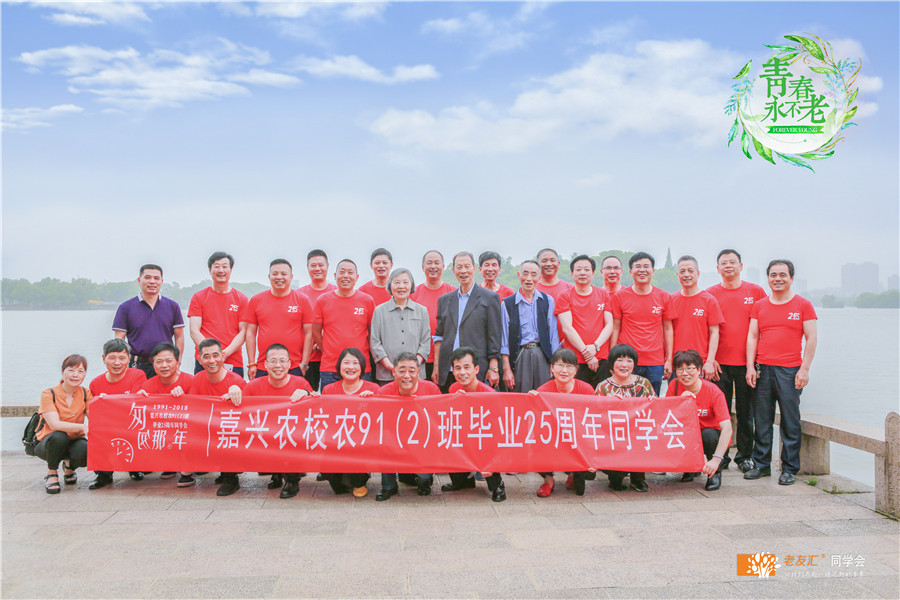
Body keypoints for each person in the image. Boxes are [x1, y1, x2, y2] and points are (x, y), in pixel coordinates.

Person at [745, 259, 818, 486]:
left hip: (790, 370)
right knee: (762, 419)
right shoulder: (759, 305)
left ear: (791, 278)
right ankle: (761, 465)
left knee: (790, 420)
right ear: (768, 278)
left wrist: (805, 369)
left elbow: (812, 338)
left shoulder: (803, 305)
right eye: (773, 275)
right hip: (763, 369)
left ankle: (789, 469)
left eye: (783, 275)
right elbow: (753, 337)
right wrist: (750, 367)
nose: (778, 279)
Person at [706, 249, 767, 473]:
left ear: (741, 266)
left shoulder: (755, 291)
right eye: (724, 263)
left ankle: (744, 456)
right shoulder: (710, 294)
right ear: (718, 268)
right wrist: (709, 359)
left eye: (733, 262)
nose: (728, 266)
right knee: (719, 413)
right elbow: (706, 330)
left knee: (745, 412)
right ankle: (720, 456)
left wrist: (757, 361)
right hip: (719, 364)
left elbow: (764, 326)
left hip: (746, 364)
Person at [243, 344, 315, 499]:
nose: (278, 365)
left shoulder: (300, 383)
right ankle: (275, 471)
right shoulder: (253, 386)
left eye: (282, 361)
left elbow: (316, 406)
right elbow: (240, 411)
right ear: (265, 364)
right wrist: (233, 392)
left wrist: (307, 393)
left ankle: (291, 481)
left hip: (291, 436)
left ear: (289, 364)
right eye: (273, 361)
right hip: (265, 435)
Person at [529, 348, 595, 497]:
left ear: (576, 370)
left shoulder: (586, 390)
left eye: (569, 366)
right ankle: (548, 480)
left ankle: (573, 473)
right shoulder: (543, 391)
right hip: (553, 439)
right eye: (560, 365)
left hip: (578, 440)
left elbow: (595, 418)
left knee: (583, 484)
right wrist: (530, 401)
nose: (564, 370)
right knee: (536, 445)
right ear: (552, 368)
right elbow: (536, 423)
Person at [375, 353, 441, 500]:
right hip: (394, 442)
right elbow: (377, 424)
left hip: (423, 443)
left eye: (411, 371)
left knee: (423, 478)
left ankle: (423, 480)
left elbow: (440, 422)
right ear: (394, 372)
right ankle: (389, 486)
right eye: (401, 370)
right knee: (383, 441)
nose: (406, 376)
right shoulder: (383, 393)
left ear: (418, 372)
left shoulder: (431, 390)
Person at [432, 251, 502, 392]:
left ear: (474, 269)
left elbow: (494, 336)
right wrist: (436, 366)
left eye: (467, 266)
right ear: (453, 270)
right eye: (459, 267)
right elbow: (439, 336)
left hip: (476, 370)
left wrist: (493, 368)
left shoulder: (489, 298)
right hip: (449, 369)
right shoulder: (445, 300)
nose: (463, 271)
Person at [668, 350, 734, 491]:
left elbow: (727, 428)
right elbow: (667, 418)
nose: (685, 373)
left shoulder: (713, 391)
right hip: (688, 435)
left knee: (708, 434)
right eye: (680, 369)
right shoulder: (674, 385)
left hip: (711, 438)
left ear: (699, 370)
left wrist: (716, 459)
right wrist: (680, 403)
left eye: (690, 368)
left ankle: (715, 472)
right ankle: (691, 467)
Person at [609, 252, 673, 396]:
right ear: (631, 272)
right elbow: (615, 328)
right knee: (625, 400)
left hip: (655, 361)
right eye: (637, 266)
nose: (642, 270)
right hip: (627, 360)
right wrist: (612, 358)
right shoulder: (620, 296)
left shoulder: (663, 296)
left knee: (652, 401)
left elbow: (668, 329)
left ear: (653, 271)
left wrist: (669, 360)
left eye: (646, 266)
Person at [189, 338, 247, 496]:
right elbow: (193, 408)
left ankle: (231, 478)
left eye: (215, 355)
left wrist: (238, 392)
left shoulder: (237, 381)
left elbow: (248, 415)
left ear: (223, 356)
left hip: (232, 433)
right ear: (200, 360)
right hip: (208, 428)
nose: (211, 360)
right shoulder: (198, 378)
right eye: (206, 356)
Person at [88, 339, 147, 489]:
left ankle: (135, 467)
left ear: (129, 358)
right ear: (104, 359)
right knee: (97, 433)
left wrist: (109, 403)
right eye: (112, 358)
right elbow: (93, 413)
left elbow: (134, 403)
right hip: (108, 426)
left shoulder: (138, 375)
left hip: (130, 423)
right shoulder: (95, 383)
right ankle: (103, 474)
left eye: (122, 358)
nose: (117, 363)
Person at [596, 344, 656, 493]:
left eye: (629, 361)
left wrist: (652, 402)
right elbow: (595, 416)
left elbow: (656, 410)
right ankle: (616, 475)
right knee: (616, 477)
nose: (624, 365)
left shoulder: (644, 384)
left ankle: (638, 478)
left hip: (638, 435)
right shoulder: (603, 387)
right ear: (612, 364)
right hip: (613, 437)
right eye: (620, 360)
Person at [244, 259, 313, 380]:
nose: (279, 277)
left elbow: (309, 333)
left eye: (284, 274)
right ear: (269, 276)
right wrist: (251, 363)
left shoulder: (302, 300)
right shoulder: (256, 300)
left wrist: (304, 363)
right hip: (264, 365)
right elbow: (250, 333)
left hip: (294, 365)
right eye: (275, 274)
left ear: (291, 277)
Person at [112, 264, 185, 378]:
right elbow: (119, 339)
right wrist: (121, 363)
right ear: (139, 280)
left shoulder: (172, 306)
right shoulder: (126, 307)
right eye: (147, 277)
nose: (152, 281)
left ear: (161, 281)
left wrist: (178, 361)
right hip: (137, 364)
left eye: (156, 278)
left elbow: (179, 336)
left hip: (165, 365)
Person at [312, 259, 376, 389]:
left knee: (362, 402)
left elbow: (372, 333)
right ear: (335, 276)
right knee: (330, 401)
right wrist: (327, 349)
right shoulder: (322, 300)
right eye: (342, 272)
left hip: (360, 367)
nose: (346, 275)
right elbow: (315, 332)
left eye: (350, 272)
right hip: (330, 367)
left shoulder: (367, 301)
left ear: (356, 277)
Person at [136, 342, 195, 483]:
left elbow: (200, 410)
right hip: (162, 430)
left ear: (178, 362)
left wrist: (184, 399)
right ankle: (169, 464)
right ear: (153, 364)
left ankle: (187, 471)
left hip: (186, 429)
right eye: (159, 362)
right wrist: (138, 399)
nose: (164, 365)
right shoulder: (148, 385)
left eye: (169, 361)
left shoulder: (191, 381)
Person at [35, 355, 91, 494]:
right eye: (71, 370)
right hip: (50, 442)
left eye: (80, 371)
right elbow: (54, 424)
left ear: (84, 374)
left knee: (86, 450)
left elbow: (94, 416)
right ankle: (52, 473)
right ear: (62, 372)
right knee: (59, 437)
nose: (75, 375)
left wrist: (103, 401)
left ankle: (69, 467)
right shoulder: (48, 394)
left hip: (75, 440)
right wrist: (82, 427)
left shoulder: (85, 393)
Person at [501, 260, 560, 392]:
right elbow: (504, 340)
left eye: (533, 274)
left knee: (544, 394)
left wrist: (555, 363)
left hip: (543, 355)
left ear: (539, 277)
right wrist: (507, 369)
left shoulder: (547, 301)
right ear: (518, 275)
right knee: (521, 395)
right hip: (520, 356)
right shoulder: (507, 304)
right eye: (525, 274)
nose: (529, 279)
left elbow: (553, 336)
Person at [556, 254, 614, 388]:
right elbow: (567, 328)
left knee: (601, 396)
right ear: (572, 273)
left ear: (593, 273)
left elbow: (609, 325)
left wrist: (595, 347)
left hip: (601, 357)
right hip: (574, 359)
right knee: (577, 396)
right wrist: (587, 354)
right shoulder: (565, 296)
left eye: (587, 269)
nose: (582, 273)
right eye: (578, 269)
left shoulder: (603, 294)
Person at [188, 251, 249, 377]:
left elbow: (243, 332)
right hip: (205, 359)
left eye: (225, 266)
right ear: (210, 270)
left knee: (234, 389)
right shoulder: (198, 297)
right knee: (202, 389)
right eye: (217, 266)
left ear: (230, 270)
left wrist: (224, 354)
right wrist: (211, 353)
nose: (221, 270)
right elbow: (194, 331)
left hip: (233, 359)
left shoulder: (241, 299)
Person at [370, 268, 431, 386]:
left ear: (411, 285)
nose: (401, 286)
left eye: (405, 282)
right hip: (387, 374)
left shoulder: (421, 311)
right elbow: (375, 342)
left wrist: (413, 367)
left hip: (415, 375)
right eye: (397, 282)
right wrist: (390, 366)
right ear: (390, 285)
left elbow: (425, 341)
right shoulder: (379, 311)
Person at [669, 255, 724, 379]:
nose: (686, 275)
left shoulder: (709, 300)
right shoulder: (671, 300)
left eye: (690, 271)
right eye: (682, 271)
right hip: (676, 364)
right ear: (677, 275)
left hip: (700, 364)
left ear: (698, 274)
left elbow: (714, 332)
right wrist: (667, 360)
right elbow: (666, 331)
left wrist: (710, 361)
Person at [410, 250, 457, 381]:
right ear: (423, 267)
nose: (433, 266)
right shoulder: (413, 294)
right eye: (429, 263)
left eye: (437, 263)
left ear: (443, 266)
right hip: (420, 358)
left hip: (448, 358)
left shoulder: (454, 293)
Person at [298, 249, 337, 390]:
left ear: (328, 266)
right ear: (307, 267)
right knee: (306, 395)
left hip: (332, 357)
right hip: (307, 358)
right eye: (313, 265)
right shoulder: (299, 294)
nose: (317, 269)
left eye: (321, 265)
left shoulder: (337, 292)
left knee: (331, 396)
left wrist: (322, 339)